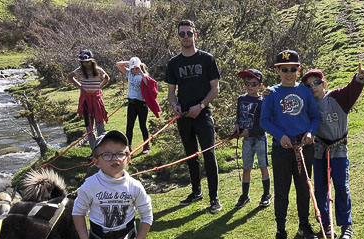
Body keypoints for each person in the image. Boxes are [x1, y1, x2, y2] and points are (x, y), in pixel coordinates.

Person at [260, 50, 321, 239]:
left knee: (304, 188)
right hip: (282, 149)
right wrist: (280, 135)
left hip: (304, 147)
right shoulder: (273, 93)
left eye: (293, 69)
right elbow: (264, 120)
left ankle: (304, 225)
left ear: (298, 69)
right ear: (277, 70)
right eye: (284, 69)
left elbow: (315, 117)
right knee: (282, 191)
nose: (289, 73)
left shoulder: (305, 91)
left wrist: (311, 133)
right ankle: (281, 231)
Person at [301, 64, 364, 239]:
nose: (313, 87)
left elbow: (351, 90)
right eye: (309, 85)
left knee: (341, 187)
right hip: (319, 151)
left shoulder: (338, 97)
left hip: (338, 150)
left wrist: (359, 78)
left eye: (316, 82)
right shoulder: (306, 106)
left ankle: (346, 226)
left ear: (324, 83)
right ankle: (325, 223)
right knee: (321, 189)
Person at [166, 20, 222, 214]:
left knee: (209, 154)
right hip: (183, 115)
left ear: (195, 36)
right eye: (182, 34)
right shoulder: (174, 63)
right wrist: (174, 105)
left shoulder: (207, 59)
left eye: (189, 33)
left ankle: (214, 198)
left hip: (203, 112)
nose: (186, 37)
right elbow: (171, 92)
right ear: (178, 37)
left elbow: (215, 88)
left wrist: (201, 106)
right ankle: (196, 191)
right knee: (191, 154)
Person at [234, 68, 272, 208]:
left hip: (260, 138)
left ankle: (266, 194)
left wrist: (250, 132)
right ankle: (244, 195)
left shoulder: (263, 102)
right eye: (247, 83)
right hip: (246, 140)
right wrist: (237, 126)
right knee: (246, 167)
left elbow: (264, 125)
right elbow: (239, 117)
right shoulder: (241, 99)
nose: (249, 87)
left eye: (253, 84)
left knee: (263, 165)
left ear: (260, 85)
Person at [116, 57, 161, 154]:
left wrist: (140, 70)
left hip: (142, 104)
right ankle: (128, 146)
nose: (134, 70)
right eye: (133, 68)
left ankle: (146, 146)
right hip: (132, 104)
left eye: (136, 68)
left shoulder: (143, 76)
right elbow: (118, 64)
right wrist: (130, 62)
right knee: (129, 125)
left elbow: (147, 83)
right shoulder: (129, 74)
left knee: (142, 125)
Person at [67, 50, 110, 150]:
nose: (85, 63)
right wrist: (80, 86)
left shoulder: (98, 70)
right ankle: (94, 150)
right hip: (85, 100)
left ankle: (103, 149)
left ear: (92, 60)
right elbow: (70, 76)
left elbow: (106, 78)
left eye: (87, 61)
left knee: (100, 124)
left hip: (96, 99)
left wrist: (100, 86)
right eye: (83, 62)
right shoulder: (79, 71)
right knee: (89, 126)